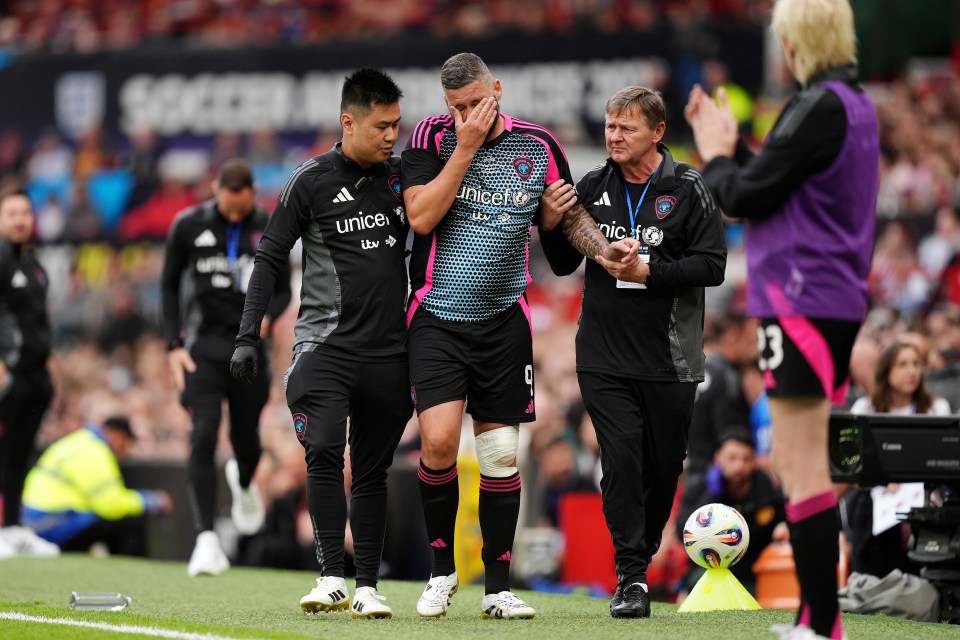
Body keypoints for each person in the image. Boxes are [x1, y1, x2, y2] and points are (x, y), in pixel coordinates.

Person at [400, 52, 633, 620]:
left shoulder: (537, 145)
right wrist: (465, 148)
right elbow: (421, 217)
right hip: (437, 314)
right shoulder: (431, 139)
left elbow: (568, 218)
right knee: (436, 443)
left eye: (475, 103)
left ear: (497, 91)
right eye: (456, 106)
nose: (466, 114)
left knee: (501, 452)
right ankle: (441, 573)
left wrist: (604, 250)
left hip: (504, 317)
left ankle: (498, 588)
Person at [685, 1, 879, 637]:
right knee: (804, 466)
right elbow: (770, 176)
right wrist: (733, 144)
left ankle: (821, 624)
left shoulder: (819, 105)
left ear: (796, 41)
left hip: (801, 296)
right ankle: (813, 618)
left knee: (799, 468)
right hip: (824, 296)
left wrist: (716, 151)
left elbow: (739, 194)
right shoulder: (848, 103)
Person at [230, 68, 411, 619]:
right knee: (325, 450)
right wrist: (247, 335)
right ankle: (332, 575)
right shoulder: (309, 180)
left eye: (397, 126)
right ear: (347, 121)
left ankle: (367, 586)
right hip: (325, 348)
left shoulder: (405, 177)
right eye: (380, 126)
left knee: (374, 471)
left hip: (390, 352)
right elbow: (267, 258)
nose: (390, 137)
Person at [541, 85, 727, 618]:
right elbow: (559, 263)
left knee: (663, 465)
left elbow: (712, 265)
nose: (614, 136)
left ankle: (638, 559)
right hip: (602, 353)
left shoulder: (689, 187)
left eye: (627, 128)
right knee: (620, 457)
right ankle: (630, 574)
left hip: (671, 357)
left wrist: (650, 272)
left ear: (658, 132)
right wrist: (552, 224)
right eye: (609, 126)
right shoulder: (594, 186)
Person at [162, 159, 291, 576]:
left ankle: (244, 478)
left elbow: (285, 287)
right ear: (215, 189)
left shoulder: (269, 224)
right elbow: (168, 284)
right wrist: (172, 346)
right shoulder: (187, 225)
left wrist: (269, 316)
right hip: (204, 346)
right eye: (228, 205)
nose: (235, 214)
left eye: (242, 206)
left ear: (253, 192)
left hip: (249, 347)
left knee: (246, 439)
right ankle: (204, 537)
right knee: (201, 432)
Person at [843, 339, 951, 578]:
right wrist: (880, 480)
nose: (911, 371)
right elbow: (850, 467)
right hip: (876, 502)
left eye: (916, 364)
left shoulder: (936, 408)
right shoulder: (865, 409)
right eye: (902, 364)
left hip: (924, 500)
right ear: (886, 371)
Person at [0, 189, 59, 558]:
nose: (20, 219)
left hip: (35, 376)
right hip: (9, 373)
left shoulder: (35, 265)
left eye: (25, 212)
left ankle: (13, 528)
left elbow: (38, 322)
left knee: (21, 452)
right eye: (12, 213)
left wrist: (50, 363)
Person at [20, 416, 172, 555]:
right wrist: (151, 501)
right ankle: (135, 576)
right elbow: (110, 505)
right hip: (53, 523)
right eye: (127, 443)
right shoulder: (95, 452)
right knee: (130, 524)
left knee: (101, 523)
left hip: (36, 520)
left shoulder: (80, 442)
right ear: (117, 435)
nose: (125, 451)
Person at [676, 434, 787, 596]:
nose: (739, 466)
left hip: (752, 573)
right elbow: (682, 532)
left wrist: (783, 528)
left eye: (746, 459)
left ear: (755, 461)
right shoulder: (701, 486)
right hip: (707, 570)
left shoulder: (767, 490)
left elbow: (784, 521)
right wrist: (712, 496)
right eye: (732, 458)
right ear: (718, 458)